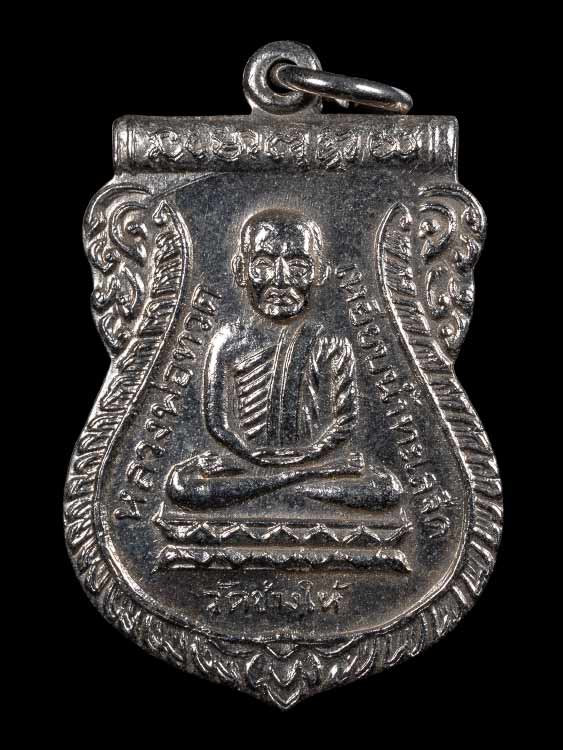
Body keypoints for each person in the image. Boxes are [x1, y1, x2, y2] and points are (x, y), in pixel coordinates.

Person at [167, 209, 402, 510]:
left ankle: (277, 486)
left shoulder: (331, 341)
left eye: (298, 266)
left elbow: (344, 422)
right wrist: (249, 454)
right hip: (247, 464)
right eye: (263, 265)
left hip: (312, 463)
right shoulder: (227, 341)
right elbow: (218, 424)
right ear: (240, 270)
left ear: (320, 272)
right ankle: (296, 484)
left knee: (385, 489)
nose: (279, 280)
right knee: (182, 486)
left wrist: (310, 454)